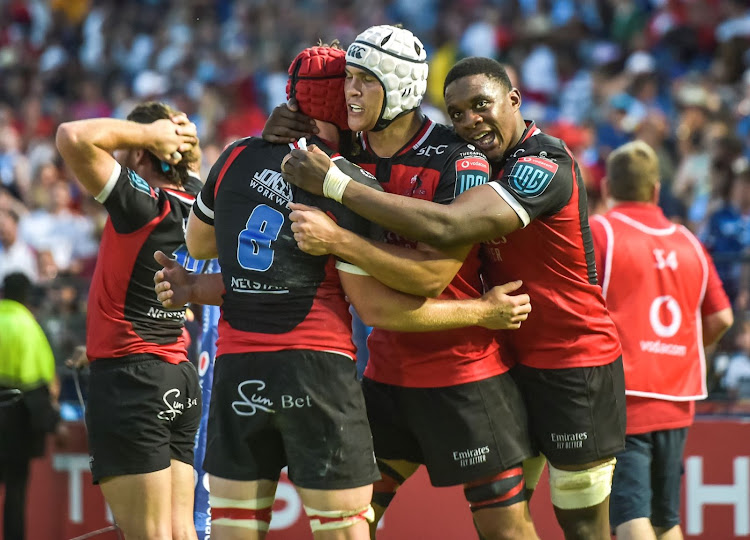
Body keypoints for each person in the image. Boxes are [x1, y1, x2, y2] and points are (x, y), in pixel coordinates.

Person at [155, 39, 536, 540]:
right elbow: (366, 301)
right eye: (349, 83)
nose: (355, 93)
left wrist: (202, 285)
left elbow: (203, 244)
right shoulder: (342, 168)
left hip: (445, 375)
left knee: (234, 524)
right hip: (355, 374)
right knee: (347, 525)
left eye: (365, 82)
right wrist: (482, 312)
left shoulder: (243, 156)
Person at [276, 55, 624, 540]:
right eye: (457, 113)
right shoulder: (469, 158)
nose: (470, 121)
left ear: (515, 101)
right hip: (504, 354)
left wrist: (338, 188)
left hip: (571, 363)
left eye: (482, 105)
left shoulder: (545, 163)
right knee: (494, 518)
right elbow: (352, 130)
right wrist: (293, 116)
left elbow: (450, 226)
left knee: (582, 523)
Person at [55, 102, 203, 540]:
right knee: (180, 533)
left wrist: (147, 133)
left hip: (132, 381)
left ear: (141, 152)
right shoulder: (197, 202)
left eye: (126, 145)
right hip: (176, 377)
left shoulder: (144, 203)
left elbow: (72, 136)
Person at [589, 141, 734, 540]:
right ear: (655, 191)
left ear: (606, 190)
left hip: (625, 397)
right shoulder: (688, 240)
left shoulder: (601, 231)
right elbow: (722, 317)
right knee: (665, 519)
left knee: (629, 516)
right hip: (678, 396)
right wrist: (689, 348)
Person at [0, 272, 63, 540]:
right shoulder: (28, 327)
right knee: (15, 492)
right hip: (15, 423)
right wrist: (54, 422)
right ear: (27, 296)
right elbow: (39, 382)